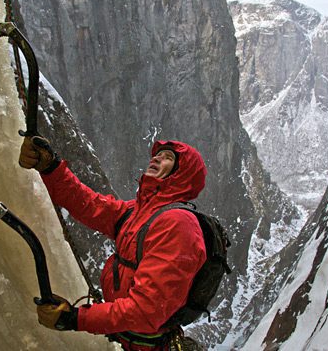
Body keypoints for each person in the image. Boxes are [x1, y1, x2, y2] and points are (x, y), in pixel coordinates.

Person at [19, 136, 208, 350]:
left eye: (168, 158)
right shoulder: (136, 212)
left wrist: (75, 318)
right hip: (132, 341)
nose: (156, 158)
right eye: (156, 155)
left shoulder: (177, 224)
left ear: (180, 174)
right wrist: (50, 167)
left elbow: (146, 311)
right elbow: (88, 204)